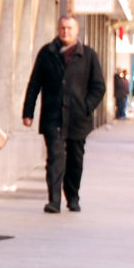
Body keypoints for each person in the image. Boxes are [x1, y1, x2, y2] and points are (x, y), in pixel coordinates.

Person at [22, 14, 106, 213]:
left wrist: (86, 107)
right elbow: (34, 84)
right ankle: (54, 200)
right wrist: (28, 111)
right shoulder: (47, 53)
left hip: (78, 118)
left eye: (69, 28)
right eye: (62, 28)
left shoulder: (88, 55)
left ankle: (73, 196)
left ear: (77, 31)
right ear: (58, 30)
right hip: (53, 116)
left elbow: (99, 87)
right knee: (55, 157)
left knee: (75, 159)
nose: (65, 31)